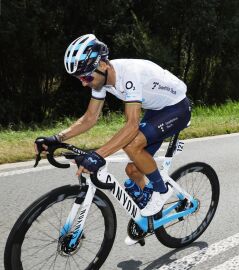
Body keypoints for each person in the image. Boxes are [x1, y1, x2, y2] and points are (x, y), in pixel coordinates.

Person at [34, 34, 191, 219]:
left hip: (177, 108)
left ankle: (161, 190)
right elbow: (90, 118)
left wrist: (98, 155)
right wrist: (57, 138)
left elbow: (131, 125)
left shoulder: (129, 75)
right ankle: (151, 216)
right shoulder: (100, 78)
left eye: (85, 77)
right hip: (157, 109)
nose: (84, 83)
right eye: (79, 78)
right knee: (132, 170)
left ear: (102, 64)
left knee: (131, 145)